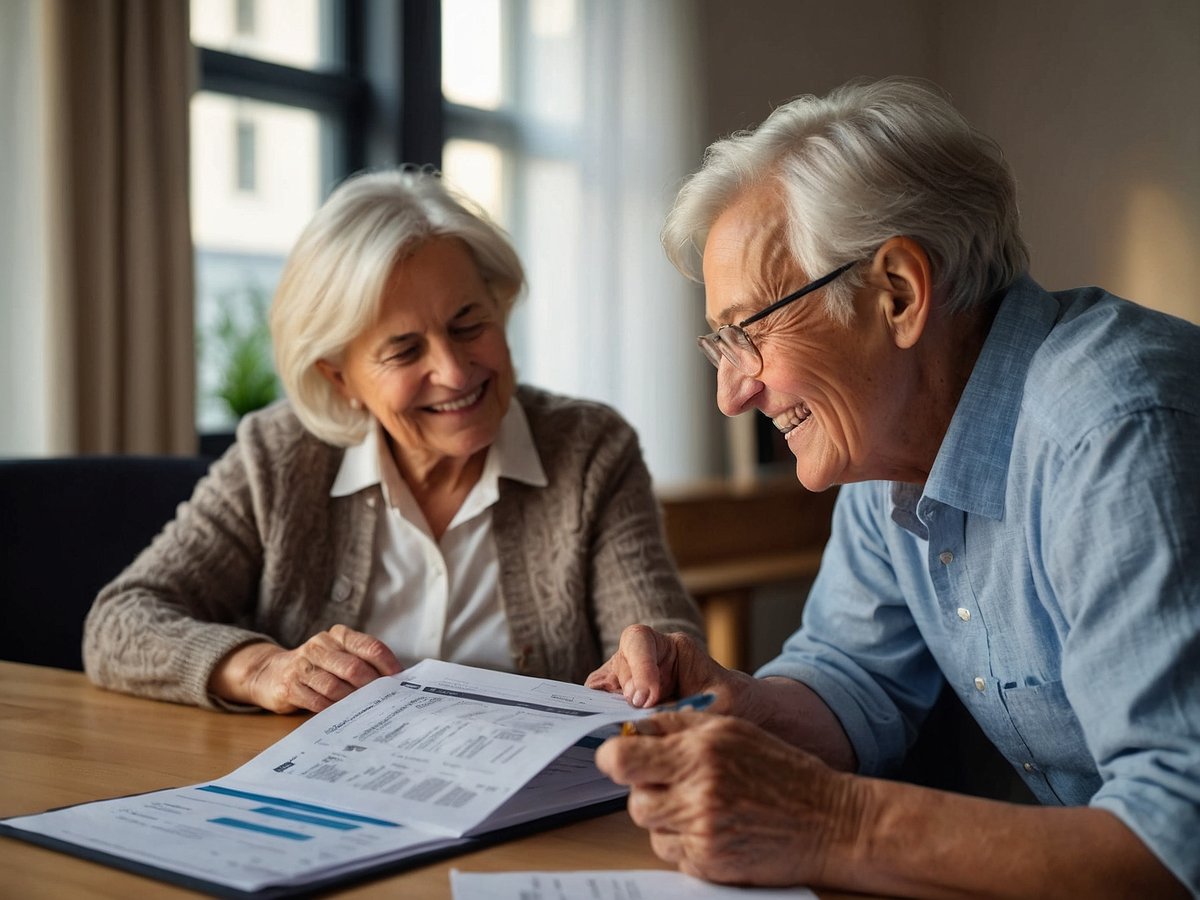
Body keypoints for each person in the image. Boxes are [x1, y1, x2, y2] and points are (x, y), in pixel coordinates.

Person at [587, 77, 1198, 897]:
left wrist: (833, 823)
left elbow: (1178, 840)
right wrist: (733, 701)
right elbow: (857, 680)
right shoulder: (890, 443)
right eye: (719, 346)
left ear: (900, 294)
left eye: (750, 334)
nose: (732, 394)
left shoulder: (1115, 431)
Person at [84, 167, 703, 714]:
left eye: (469, 325)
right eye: (404, 350)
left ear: (499, 307)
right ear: (339, 376)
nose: (456, 373)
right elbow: (120, 623)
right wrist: (263, 669)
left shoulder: (591, 448)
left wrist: (654, 659)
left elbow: (664, 637)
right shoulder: (278, 457)